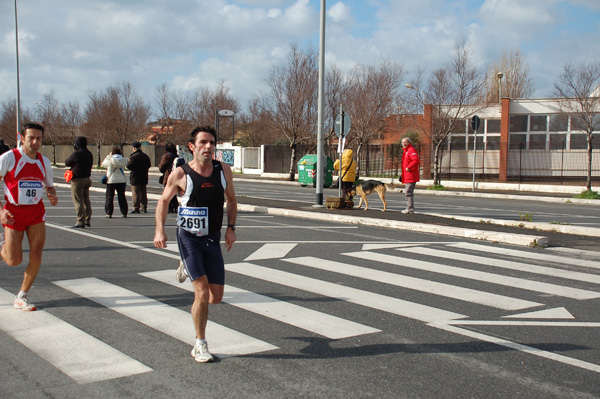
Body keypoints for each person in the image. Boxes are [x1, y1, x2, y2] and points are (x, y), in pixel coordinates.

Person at [154, 126, 237, 364]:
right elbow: (163, 202)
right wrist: (160, 229)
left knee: (215, 297)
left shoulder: (224, 170)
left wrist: (231, 228)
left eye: (212, 142)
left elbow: (231, 201)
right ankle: (200, 343)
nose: (208, 147)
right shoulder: (180, 174)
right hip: (188, 238)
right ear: (192, 146)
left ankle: (188, 267)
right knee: (200, 292)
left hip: (211, 238)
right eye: (203, 142)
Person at [0, 122, 58, 311]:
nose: (35, 142)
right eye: (31, 138)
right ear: (21, 138)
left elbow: (48, 184)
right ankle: (2, 245)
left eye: (38, 138)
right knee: (13, 260)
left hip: (36, 213)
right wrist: (1, 211)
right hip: (13, 213)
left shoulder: (44, 162)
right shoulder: (9, 158)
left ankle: (22, 295)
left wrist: (52, 193)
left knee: (37, 253)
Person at [65, 136, 93, 228]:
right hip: (87, 178)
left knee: (78, 201)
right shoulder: (89, 153)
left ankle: (80, 221)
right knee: (86, 200)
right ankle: (87, 220)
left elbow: (67, 162)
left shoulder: (76, 153)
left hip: (77, 179)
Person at [101, 146, 128, 218]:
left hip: (111, 180)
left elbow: (103, 165)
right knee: (122, 196)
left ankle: (109, 213)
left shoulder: (110, 159)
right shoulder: (123, 159)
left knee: (110, 197)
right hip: (121, 180)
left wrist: (108, 156)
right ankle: (124, 212)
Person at [127, 141, 151, 214]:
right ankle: (144, 207)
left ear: (134, 148)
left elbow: (129, 166)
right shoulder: (145, 156)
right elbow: (149, 165)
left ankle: (136, 208)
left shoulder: (133, 156)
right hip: (144, 176)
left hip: (135, 177)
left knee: (136, 193)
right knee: (143, 193)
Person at [158, 142, 181, 213]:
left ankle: (170, 207)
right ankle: (175, 206)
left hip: (168, 176)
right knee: (173, 192)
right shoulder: (176, 156)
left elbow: (161, 167)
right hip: (176, 176)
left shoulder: (167, 156)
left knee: (168, 192)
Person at [400, 137, 420, 214]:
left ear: (409, 142)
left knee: (408, 193)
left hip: (411, 176)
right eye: (402, 142)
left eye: (405, 142)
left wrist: (409, 167)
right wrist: (403, 174)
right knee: (408, 192)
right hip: (407, 175)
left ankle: (410, 209)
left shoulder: (411, 150)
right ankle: (409, 208)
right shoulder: (406, 151)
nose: (404, 144)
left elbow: (416, 160)